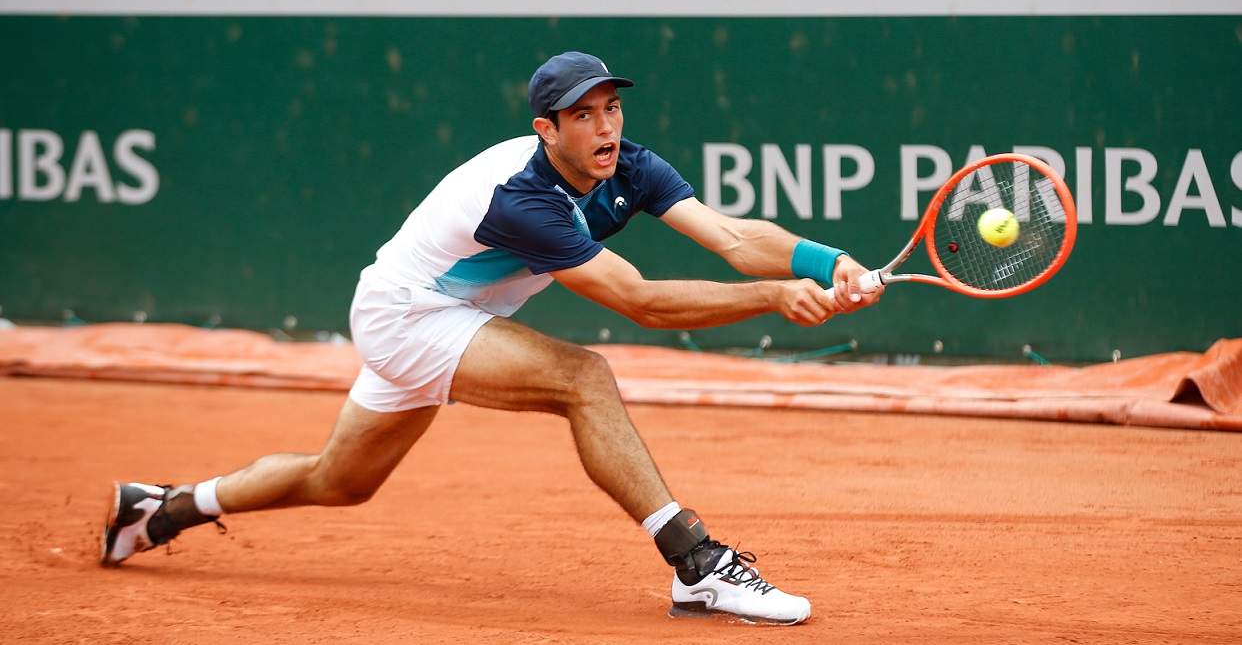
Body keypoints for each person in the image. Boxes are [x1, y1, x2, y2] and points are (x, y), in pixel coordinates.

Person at [101, 51, 882, 625]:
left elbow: (734, 235)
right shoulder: (521, 200)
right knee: (584, 377)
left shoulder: (629, 165)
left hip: (440, 317)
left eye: (612, 108)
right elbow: (640, 302)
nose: (606, 126)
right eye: (584, 115)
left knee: (339, 480)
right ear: (547, 129)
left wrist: (829, 261)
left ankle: (160, 509)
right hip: (405, 314)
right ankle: (696, 563)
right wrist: (776, 298)